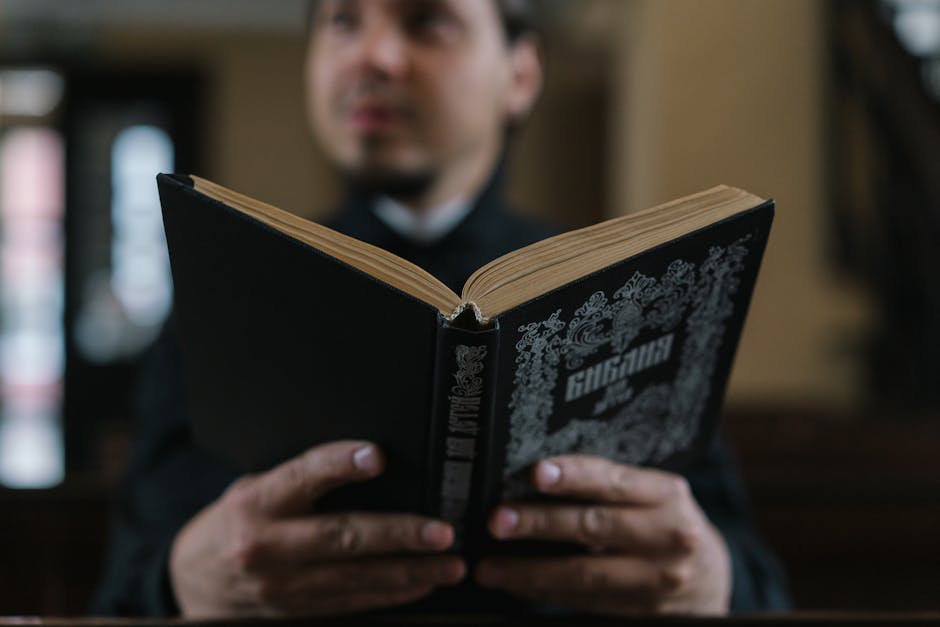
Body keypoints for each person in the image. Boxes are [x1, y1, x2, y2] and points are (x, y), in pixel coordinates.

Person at [93, 0, 789, 617]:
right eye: (342, 20)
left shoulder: (637, 290)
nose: (374, 55)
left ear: (519, 75)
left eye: (428, 20)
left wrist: (706, 581)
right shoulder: (227, 289)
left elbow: (756, 584)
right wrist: (184, 583)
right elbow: (122, 590)